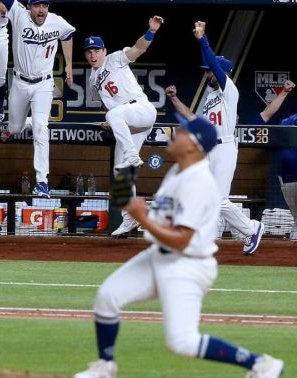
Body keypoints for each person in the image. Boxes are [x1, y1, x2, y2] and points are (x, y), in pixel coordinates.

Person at [74, 114, 284, 378]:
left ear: (194, 145)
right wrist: (126, 188)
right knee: (108, 296)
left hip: (187, 265)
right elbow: (158, 218)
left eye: (182, 132)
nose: (175, 133)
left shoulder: (198, 184)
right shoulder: (178, 171)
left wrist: (142, 219)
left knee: (183, 341)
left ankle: (262, 364)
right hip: (159, 255)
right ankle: (105, 367)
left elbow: (182, 238)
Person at [165, 20, 264, 255]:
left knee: (219, 200)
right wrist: (175, 100)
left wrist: (202, 40)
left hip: (225, 148)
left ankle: (251, 229)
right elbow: (193, 118)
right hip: (209, 150)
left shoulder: (228, 89)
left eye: (209, 70)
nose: (207, 73)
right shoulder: (210, 98)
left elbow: (212, 63)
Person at [0, 0, 75, 198]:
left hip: (43, 84)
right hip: (20, 83)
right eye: (37, 5)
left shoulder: (57, 21)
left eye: (45, 5)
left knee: (42, 129)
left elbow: (69, 35)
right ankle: (17, 124)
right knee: (16, 128)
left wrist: (70, 65)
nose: (41, 10)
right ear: (28, 6)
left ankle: (42, 182)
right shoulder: (18, 14)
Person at [84, 16, 163, 236]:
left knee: (115, 115)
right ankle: (130, 218)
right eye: (89, 51)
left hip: (142, 109)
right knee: (121, 173)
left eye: (96, 50)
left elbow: (138, 49)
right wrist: (111, 122)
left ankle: (131, 155)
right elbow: (106, 105)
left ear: (104, 51)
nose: (93, 54)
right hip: (128, 122)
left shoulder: (115, 59)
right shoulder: (92, 80)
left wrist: (151, 31)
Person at [259, 79, 297, 240]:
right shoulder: (289, 121)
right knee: (296, 216)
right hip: (288, 177)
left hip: (288, 176)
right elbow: (277, 127)